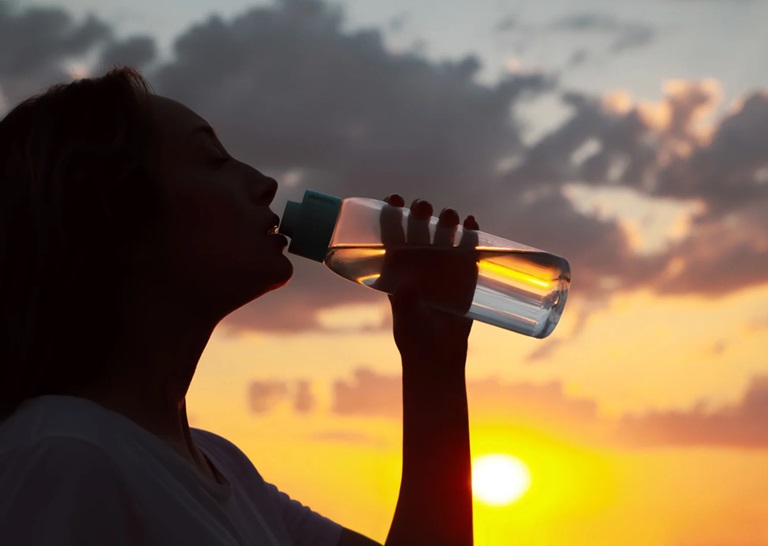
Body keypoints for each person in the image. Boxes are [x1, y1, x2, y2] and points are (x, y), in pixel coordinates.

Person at [0, 67, 479, 545]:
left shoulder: (222, 468)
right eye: (213, 160)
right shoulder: (64, 454)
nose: (264, 182)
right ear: (114, 218)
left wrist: (432, 362)